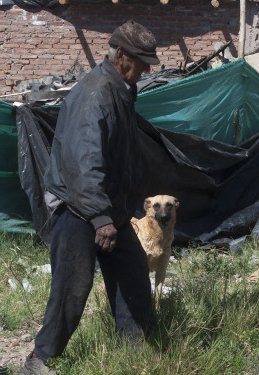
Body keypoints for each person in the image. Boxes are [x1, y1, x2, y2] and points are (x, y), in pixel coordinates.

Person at [18, 20, 160, 375]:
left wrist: (114, 212)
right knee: (72, 287)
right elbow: (84, 162)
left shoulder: (120, 90)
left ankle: (137, 348)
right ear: (122, 55)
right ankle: (40, 359)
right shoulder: (96, 93)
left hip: (107, 210)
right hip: (80, 209)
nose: (144, 70)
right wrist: (100, 218)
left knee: (133, 274)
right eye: (141, 63)